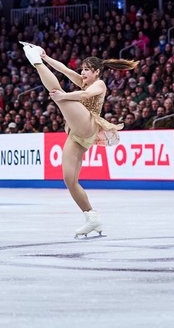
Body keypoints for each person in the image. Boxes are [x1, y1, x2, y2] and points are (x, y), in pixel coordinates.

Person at [21, 42, 137, 239]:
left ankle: (35, 63)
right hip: (76, 134)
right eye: (82, 69)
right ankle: (92, 217)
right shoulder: (83, 81)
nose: (83, 73)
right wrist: (47, 57)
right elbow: (65, 70)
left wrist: (64, 95)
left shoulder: (99, 85)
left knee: (58, 96)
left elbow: (84, 95)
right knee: (69, 179)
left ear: (97, 72)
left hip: (89, 123)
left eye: (87, 70)